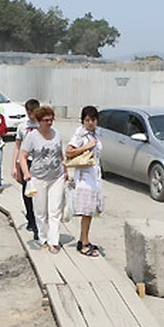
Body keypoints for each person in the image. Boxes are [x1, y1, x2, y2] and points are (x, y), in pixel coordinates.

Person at [19, 106, 67, 253]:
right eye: (46, 120)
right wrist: (26, 173)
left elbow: (60, 153)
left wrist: (65, 170)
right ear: (39, 121)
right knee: (40, 210)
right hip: (38, 177)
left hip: (56, 176)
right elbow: (23, 156)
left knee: (55, 209)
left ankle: (54, 240)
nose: (49, 123)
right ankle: (43, 237)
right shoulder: (32, 136)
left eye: (51, 119)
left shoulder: (57, 134)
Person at [65, 105, 104, 257]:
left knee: (91, 211)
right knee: (87, 212)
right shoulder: (80, 134)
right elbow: (68, 152)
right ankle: (84, 244)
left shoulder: (97, 133)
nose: (90, 123)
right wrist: (86, 147)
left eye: (93, 119)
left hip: (95, 176)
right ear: (82, 121)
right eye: (87, 120)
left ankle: (83, 239)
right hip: (84, 178)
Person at [12, 98, 40, 240]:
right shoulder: (22, 127)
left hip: (40, 164)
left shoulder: (43, 125)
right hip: (26, 163)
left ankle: (37, 225)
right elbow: (17, 146)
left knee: (38, 195)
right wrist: (14, 166)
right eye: (28, 112)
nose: (31, 115)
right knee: (26, 193)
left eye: (33, 112)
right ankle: (30, 218)